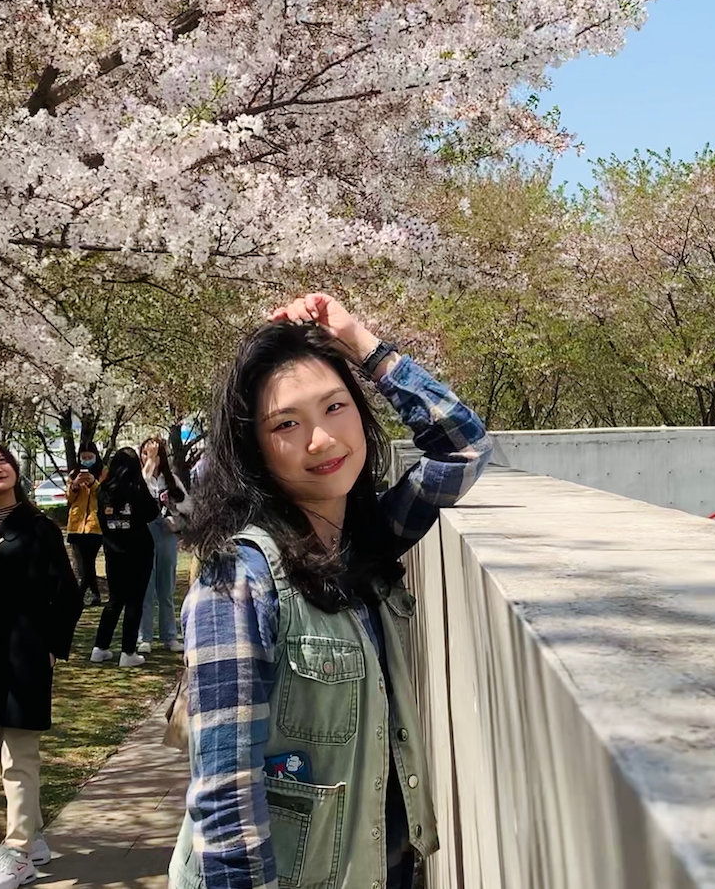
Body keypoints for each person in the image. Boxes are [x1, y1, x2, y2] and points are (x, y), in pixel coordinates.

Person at [167, 293, 493, 889]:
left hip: (382, 865)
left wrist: (363, 346)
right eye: (286, 424)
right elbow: (223, 794)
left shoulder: (362, 542)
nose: (321, 439)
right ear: (254, 449)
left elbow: (462, 448)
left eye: (335, 407)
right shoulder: (239, 578)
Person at [0, 442, 83, 889]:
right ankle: (34, 837)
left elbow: (66, 589)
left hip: (22, 651)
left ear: (15, 467)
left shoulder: (38, 527)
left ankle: (20, 850)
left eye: (1, 461)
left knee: (18, 755)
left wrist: (50, 644)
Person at [90, 446, 159, 667]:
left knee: (115, 600)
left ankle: (100, 648)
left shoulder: (103, 490)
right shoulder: (137, 488)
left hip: (113, 551)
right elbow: (152, 514)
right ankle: (128, 652)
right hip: (139, 551)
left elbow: (101, 519)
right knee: (135, 601)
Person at [137, 436, 192, 654]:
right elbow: (138, 490)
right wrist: (149, 463)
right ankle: (144, 637)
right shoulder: (141, 478)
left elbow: (188, 506)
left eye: (154, 453)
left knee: (166, 589)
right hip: (144, 535)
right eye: (145, 453)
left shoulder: (172, 480)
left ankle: (170, 636)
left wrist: (176, 516)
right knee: (145, 589)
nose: (149, 456)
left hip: (166, 535)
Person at [66, 442, 105, 606]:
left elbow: (105, 495)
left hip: (95, 525)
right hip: (76, 525)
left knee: (88, 561)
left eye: (90, 457)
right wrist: (74, 485)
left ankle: (78, 595)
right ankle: (95, 595)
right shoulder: (73, 473)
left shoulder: (103, 472)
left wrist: (93, 482)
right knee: (85, 564)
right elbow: (69, 499)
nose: (87, 460)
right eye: (84, 457)